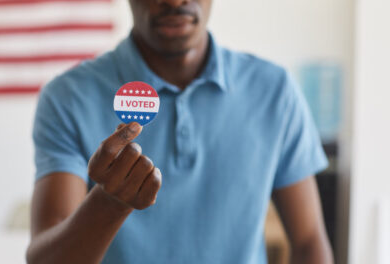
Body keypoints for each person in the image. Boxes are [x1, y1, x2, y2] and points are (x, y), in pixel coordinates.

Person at [26, 0, 334, 263]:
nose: (174, 1)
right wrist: (108, 203)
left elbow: (309, 241)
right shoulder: (67, 97)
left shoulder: (273, 90)